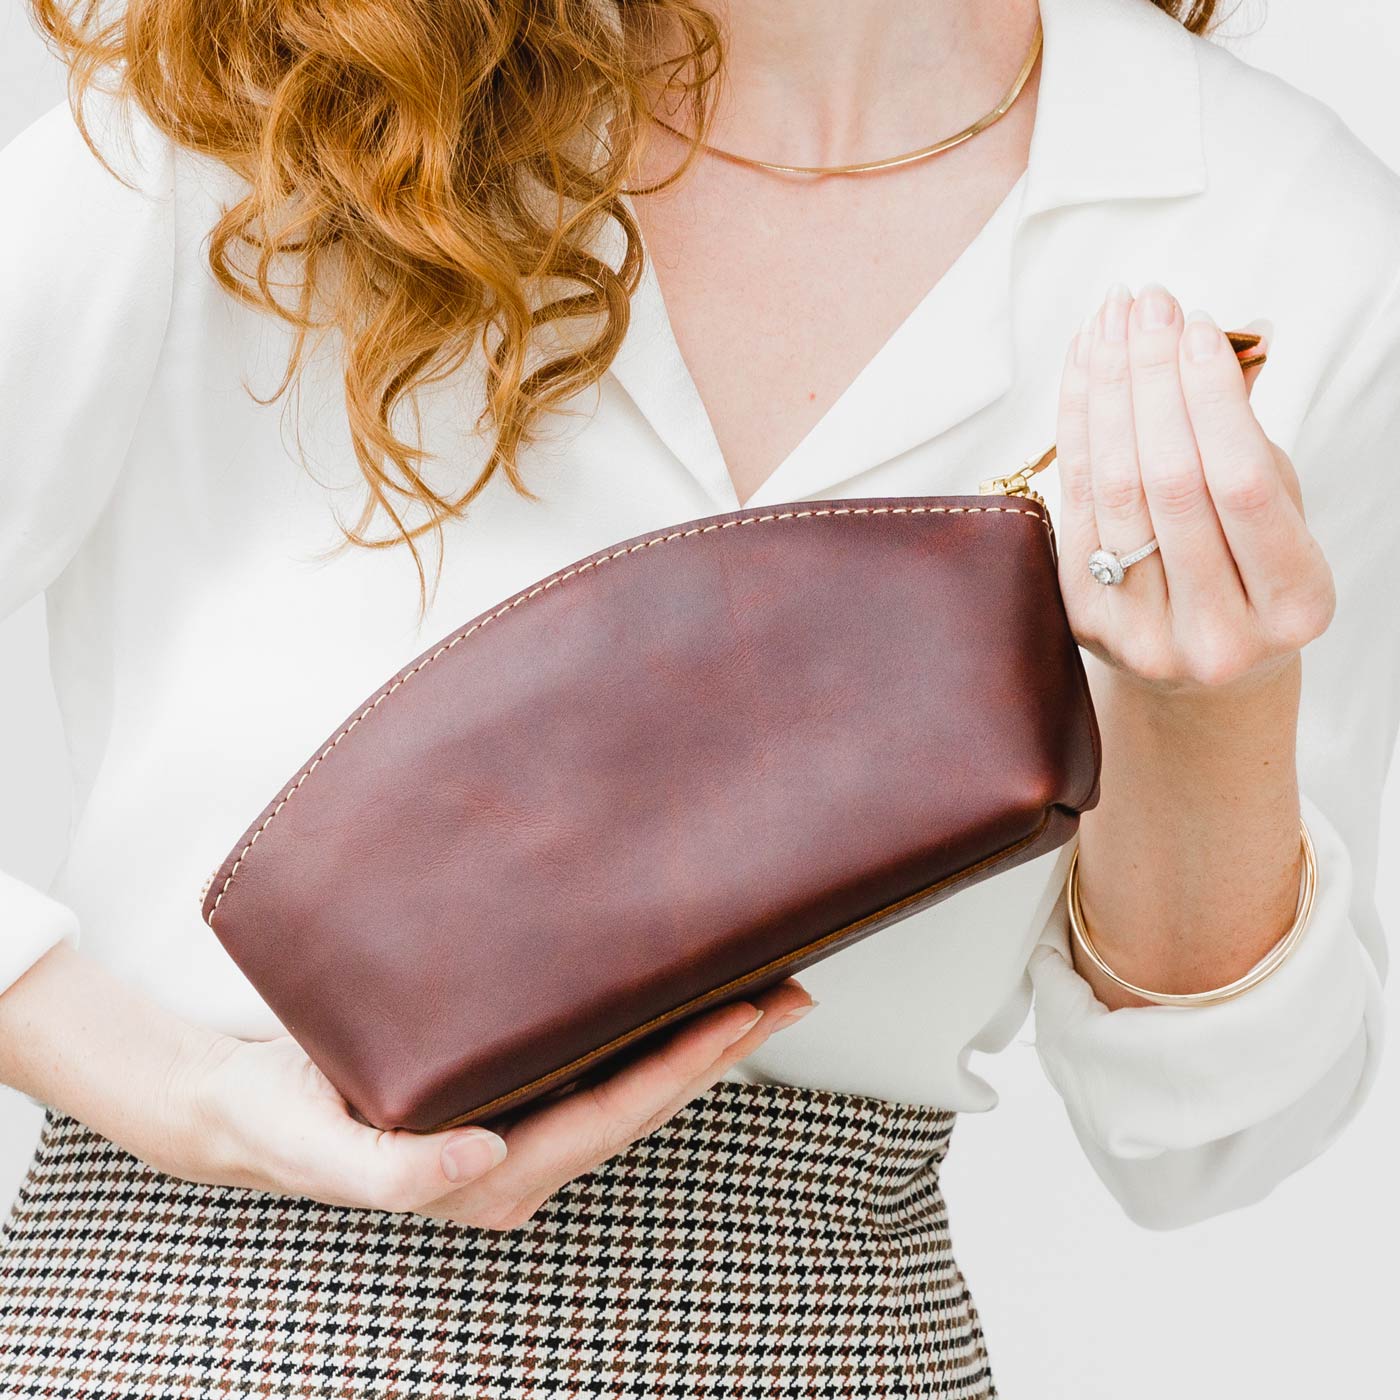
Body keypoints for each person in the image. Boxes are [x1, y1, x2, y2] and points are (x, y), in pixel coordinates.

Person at [1, 0, 1396, 1394]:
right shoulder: (255, 94)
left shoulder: (1279, 224)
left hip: (821, 1335)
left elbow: (1210, 1141)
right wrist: (189, 1099)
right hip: (192, 1317)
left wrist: (1212, 704)